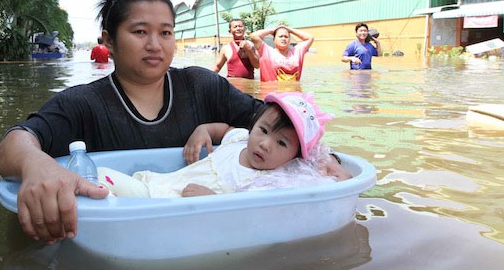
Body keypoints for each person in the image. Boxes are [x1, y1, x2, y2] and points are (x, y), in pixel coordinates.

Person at [0, 0, 263, 244]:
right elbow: (13, 144)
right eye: (140, 32)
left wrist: (215, 129)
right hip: (120, 245)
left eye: (165, 33)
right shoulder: (83, 103)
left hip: (207, 238)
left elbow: (277, 124)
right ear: (109, 41)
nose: (155, 45)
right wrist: (36, 164)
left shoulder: (203, 87)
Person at [97, 92, 351, 198]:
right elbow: (223, 129)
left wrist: (214, 200)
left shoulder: (269, 182)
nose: (264, 144)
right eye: (262, 130)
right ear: (254, 124)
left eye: (282, 143)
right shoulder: (240, 139)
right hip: (156, 184)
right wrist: (202, 130)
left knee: (100, 178)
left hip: (166, 204)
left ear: (295, 156)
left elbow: (245, 217)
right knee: (97, 182)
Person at [250, 25, 314, 81]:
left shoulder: (297, 52)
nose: (283, 39)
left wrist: (290, 30)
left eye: (286, 37)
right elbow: (254, 36)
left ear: (289, 40)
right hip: (271, 93)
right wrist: (273, 30)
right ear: (274, 39)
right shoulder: (266, 50)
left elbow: (310, 38)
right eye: (280, 36)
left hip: (293, 94)